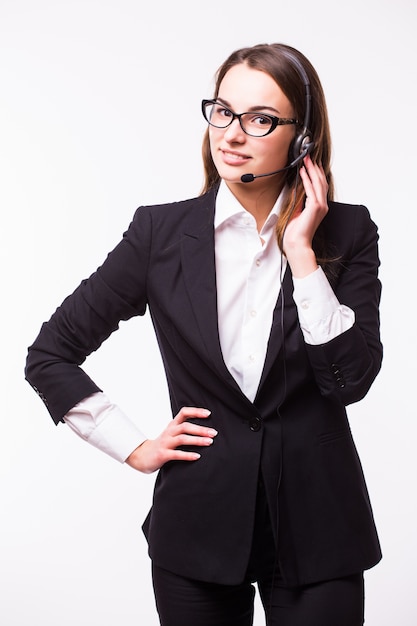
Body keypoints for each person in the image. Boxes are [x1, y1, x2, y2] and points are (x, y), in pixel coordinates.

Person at [25, 42, 382, 626]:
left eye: (259, 119)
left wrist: (302, 255)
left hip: (320, 529)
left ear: (303, 139)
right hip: (197, 527)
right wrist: (134, 447)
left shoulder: (347, 231)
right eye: (222, 110)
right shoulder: (158, 234)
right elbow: (49, 355)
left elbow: (349, 381)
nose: (231, 134)